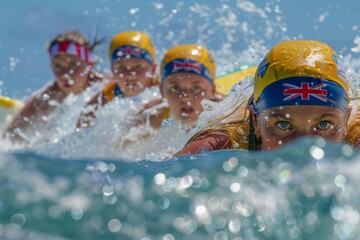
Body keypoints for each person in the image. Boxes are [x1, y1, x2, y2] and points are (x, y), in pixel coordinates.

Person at [175, 39, 355, 155]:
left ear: (346, 122)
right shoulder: (227, 140)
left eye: (324, 125)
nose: (304, 147)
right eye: (283, 124)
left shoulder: (356, 134)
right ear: (255, 121)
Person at [3, 30, 107, 142]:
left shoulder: (105, 87)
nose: (65, 74)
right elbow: (7, 140)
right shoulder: (46, 99)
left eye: (73, 65)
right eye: (58, 66)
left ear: (89, 63)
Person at [77, 31, 158, 128]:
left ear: (153, 69)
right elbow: (81, 129)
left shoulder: (164, 90)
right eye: (121, 68)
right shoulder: (101, 99)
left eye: (137, 66)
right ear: (112, 71)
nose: (129, 75)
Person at [158, 44, 220, 128]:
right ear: (162, 91)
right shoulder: (151, 117)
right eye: (175, 88)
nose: (185, 97)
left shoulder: (230, 113)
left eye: (196, 88)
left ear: (213, 91)